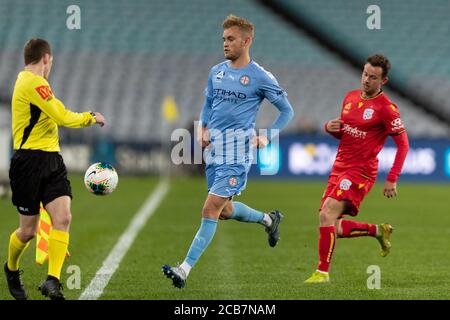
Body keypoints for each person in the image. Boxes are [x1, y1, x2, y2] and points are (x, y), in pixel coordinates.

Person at [162, 15, 294, 288]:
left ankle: (184, 269)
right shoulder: (216, 71)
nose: (225, 44)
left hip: (238, 154)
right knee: (224, 210)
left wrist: (267, 137)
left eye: (231, 39)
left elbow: (287, 111)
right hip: (214, 152)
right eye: (224, 39)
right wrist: (203, 128)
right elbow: (208, 102)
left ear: (247, 41)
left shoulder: (260, 76)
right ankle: (269, 220)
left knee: (210, 209)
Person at [4, 38, 105, 299]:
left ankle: (53, 280)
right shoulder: (32, 82)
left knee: (63, 218)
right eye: (51, 62)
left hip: (52, 161)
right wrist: (90, 117)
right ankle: (11, 269)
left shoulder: (34, 83)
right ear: (46, 58)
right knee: (27, 231)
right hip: (28, 163)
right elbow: (61, 115)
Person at [304, 54, 410, 283]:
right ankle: (377, 231)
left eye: (373, 77)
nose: (366, 80)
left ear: (384, 81)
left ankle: (322, 273)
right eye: (365, 74)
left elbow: (403, 145)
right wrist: (330, 128)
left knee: (326, 214)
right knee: (330, 223)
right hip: (339, 167)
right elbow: (347, 134)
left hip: (360, 172)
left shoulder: (387, 109)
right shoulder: (350, 98)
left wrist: (392, 178)